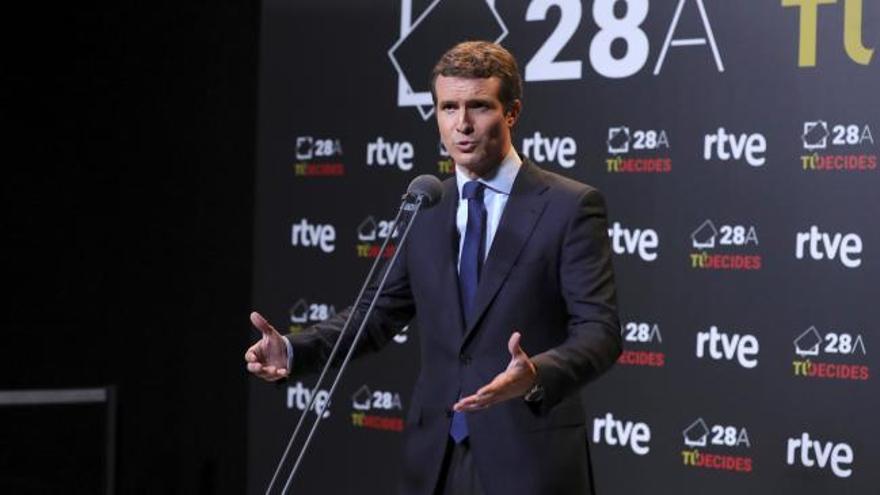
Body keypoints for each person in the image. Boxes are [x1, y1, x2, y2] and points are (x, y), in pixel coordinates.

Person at [245, 40, 621, 495]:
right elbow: (376, 314)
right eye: (448, 107)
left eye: (479, 107)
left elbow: (600, 332)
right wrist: (293, 349)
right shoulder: (427, 206)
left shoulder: (570, 206)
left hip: (528, 457)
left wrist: (537, 373)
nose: (461, 124)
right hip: (434, 461)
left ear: (512, 112)